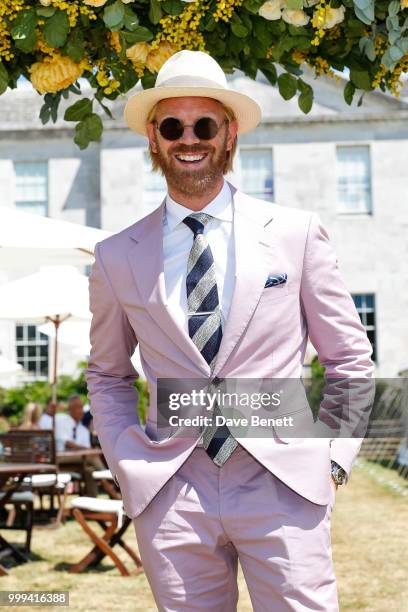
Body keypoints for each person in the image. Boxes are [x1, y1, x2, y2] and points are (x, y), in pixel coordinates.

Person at [85, 51, 374, 611]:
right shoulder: (117, 255)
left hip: (284, 480)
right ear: (154, 137)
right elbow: (108, 372)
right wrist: (125, 460)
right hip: (171, 484)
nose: (188, 138)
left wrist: (333, 457)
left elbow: (350, 361)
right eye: (173, 125)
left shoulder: (296, 234)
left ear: (230, 132)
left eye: (204, 125)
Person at [55, 394, 105, 497]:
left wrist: (88, 450)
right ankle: (112, 483)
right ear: (70, 409)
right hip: (61, 457)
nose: (81, 410)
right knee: (93, 457)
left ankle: (93, 502)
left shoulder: (83, 430)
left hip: (78, 461)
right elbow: (68, 444)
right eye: (77, 407)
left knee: (89, 471)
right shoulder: (62, 420)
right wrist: (89, 450)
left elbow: (85, 451)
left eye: (81, 407)